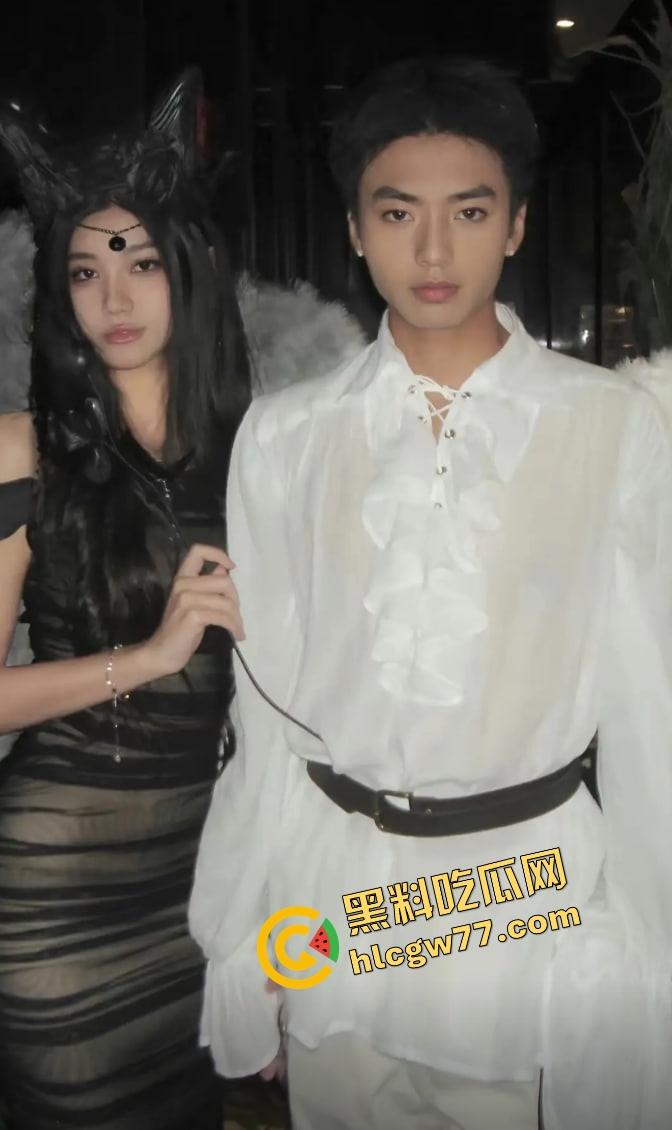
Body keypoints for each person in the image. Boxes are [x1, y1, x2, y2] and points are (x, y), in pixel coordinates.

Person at [189, 56, 672, 1130]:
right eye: (398, 213)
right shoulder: (287, 433)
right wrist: (251, 947)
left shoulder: (611, 426)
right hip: (331, 890)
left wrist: (647, 952)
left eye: (470, 211)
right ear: (356, 231)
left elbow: (652, 705)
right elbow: (266, 712)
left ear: (517, 224)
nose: (436, 250)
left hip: (519, 896)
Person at [0, 70, 247, 1130]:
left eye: (141, 263)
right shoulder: (21, 449)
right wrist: (146, 659)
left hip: (209, 875)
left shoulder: (263, 444)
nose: (114, 299)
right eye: (85, 269)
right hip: (62, 888)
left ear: (188, 268)